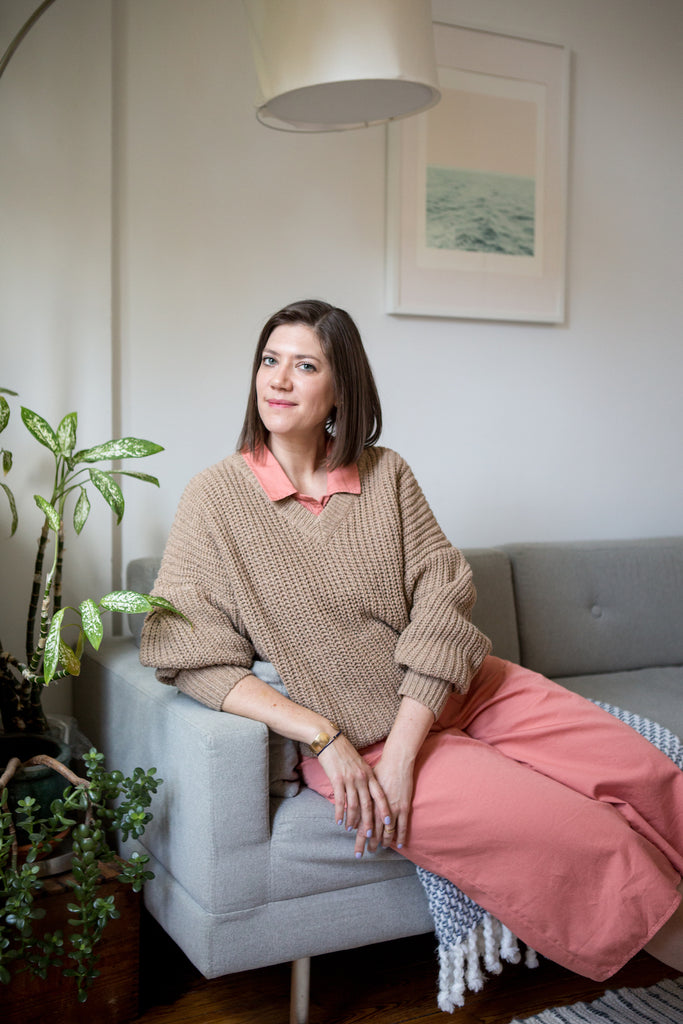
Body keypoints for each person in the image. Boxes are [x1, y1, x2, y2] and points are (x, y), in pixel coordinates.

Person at [140, 298, 683, 982]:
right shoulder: (214, 499)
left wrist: (405, 749)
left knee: (649, 775)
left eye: (304, 365)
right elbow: (186, 653)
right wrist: (325, 738)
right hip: (357, 734)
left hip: (466, 690)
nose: (277, 380)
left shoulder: (385, 473)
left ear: (341, 388)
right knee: (593, 842)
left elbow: (444, 596)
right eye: (268, 360)